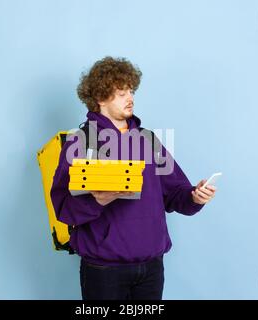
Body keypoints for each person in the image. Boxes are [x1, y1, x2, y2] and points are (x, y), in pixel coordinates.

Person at [50, 56, 217, 300]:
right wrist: (98, 201)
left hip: (151, 267)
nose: (130, 98)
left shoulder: (148, 140)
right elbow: (63, 208)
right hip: (104, 269)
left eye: (131, 90)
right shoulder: (81, 142)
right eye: (121, 93)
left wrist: (195, 197)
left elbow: (176, 194)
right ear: (100, 98)